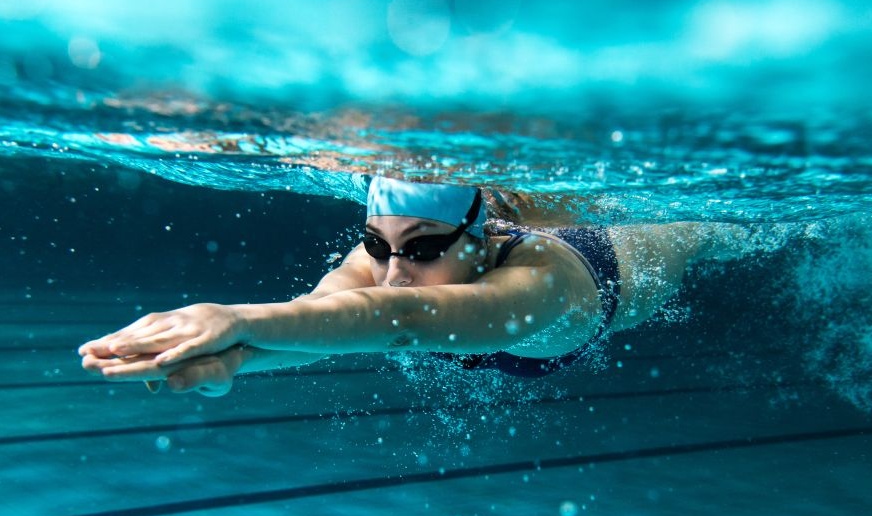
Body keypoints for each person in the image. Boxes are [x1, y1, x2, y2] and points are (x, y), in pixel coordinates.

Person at [79, 175, 746, 395]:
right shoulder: (387, 261)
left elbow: (405, 319)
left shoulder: (543, 283)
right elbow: (322, 318)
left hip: (620, 263)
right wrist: (232, 361)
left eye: (424, 248)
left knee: (708, 231)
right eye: (378, 244)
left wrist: (229, 316)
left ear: (481, 238)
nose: (394, 270)